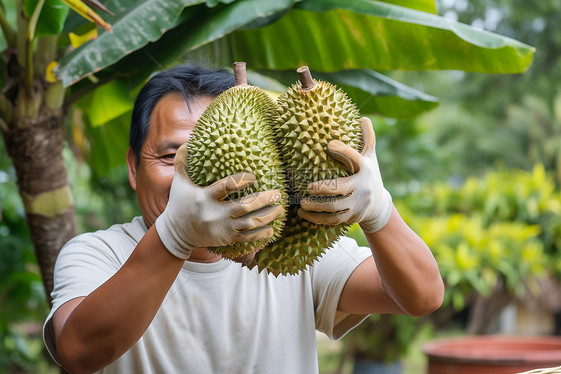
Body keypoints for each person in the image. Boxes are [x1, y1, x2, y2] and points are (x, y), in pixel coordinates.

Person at [43, 64, 444, 374]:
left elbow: (422, 296)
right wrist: (174, 236)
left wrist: (379, 212)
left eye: (210, 155)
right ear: (133, 167)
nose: (194, 178)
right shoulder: (99, 254)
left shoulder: (284, 243)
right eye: (170, 157)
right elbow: (78, 353)